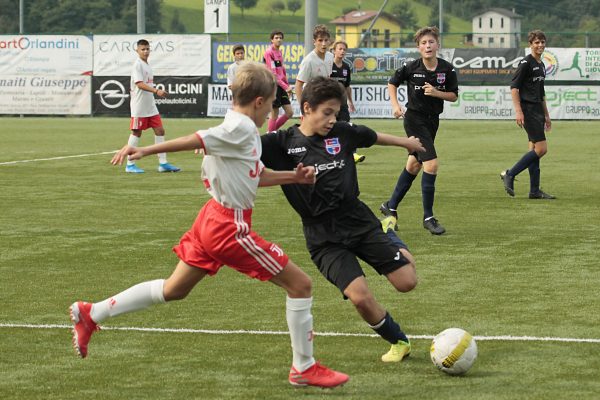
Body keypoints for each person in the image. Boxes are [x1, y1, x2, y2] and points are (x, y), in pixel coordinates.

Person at [69, 63, 349, 389]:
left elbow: (252, 174)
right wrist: (145, 148)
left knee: (174, 289)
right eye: (273, 102)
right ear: (259, 101)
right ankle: (304, 367)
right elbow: (197, 138)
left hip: (211, 219)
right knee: (300, 285)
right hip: (230, 228)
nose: (273, 110)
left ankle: (92, 313)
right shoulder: (241, 129)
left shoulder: (238, 125)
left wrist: (294, 177)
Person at [261, 77, 424, 363]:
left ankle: (388, 232)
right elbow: (239, 144)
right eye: (327, 112)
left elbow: (373, 136)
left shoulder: (343, 133)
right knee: (360, 297)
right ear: (307, 108)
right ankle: (399, 341)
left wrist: (406, 143)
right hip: (322, 237)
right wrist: (212, 148)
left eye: (335, 113)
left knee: (407, 282)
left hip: (358, 220)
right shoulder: (282, 143)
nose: (332, 119)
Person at [381, 26, 458, 235]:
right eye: (423, 43)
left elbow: (453, 96)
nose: (427, 46)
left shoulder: (447, 69)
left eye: (431, 42)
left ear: (437, 45)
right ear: (418, 47)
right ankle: (428, 217)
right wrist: (395, 106)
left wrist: (436, 93)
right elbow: (392, 82)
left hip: (433, 121)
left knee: (414, 165)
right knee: (431, 164)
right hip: (414, 120)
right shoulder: (410, 67)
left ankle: (391, 205)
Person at [501, 30, 555, 200]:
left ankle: (534, 191)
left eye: (542, 42)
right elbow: (514, 88)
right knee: (542, 149)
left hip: (537, 110)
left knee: (533, 149)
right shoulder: (526, 63)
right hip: (528, 110)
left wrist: (546, 114)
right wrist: (518, 111)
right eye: (536, 42)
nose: (540, 45)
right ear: (530, 44)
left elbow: (541, 92)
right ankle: (510, 173)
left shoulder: (541, 64)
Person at [125, 39, 180, 174]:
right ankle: (130, 164)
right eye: (143, 49)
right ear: (137, 50)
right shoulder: (137, 65)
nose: (145, 51)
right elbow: (139, 83)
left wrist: (155, 92)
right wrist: (156, 91)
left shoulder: (147, 65)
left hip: (150, 106)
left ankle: (163, 163)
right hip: (139, 107)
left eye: (147, 49)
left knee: (160, 131)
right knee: (136, 133)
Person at [330, 40, 364, 164]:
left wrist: (350, 102)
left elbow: (347, 86)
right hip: (330, 104)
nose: (342, 51)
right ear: (334, 51)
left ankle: (353, 154)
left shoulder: (345, 67)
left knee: (347, 128)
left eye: (344, 49)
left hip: (343, 104)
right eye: (340, 49)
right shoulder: (328, 65)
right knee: (329, 129)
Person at [294, 24, 334, 107]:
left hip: (324, 102)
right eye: (320, 40)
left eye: (326, 40)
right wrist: (303, 107)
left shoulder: (330, 56)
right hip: (311, 102)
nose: (323, 44)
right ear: (314, 42)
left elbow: (328, 77)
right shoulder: (308, 61)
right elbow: (298, 86)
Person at [263, 30, 293, 131]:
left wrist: (287, 85)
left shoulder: (279, 52)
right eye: (276, 38)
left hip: (282, 86)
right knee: (274, 114)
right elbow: (273, 74)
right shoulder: (269, 53)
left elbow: (282, 70)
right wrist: (286, 86)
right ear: (272, 40)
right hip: (273, 86)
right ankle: (270, 135)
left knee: (289, 112)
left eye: (280, 38)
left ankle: (271, 132)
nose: (279, 39)